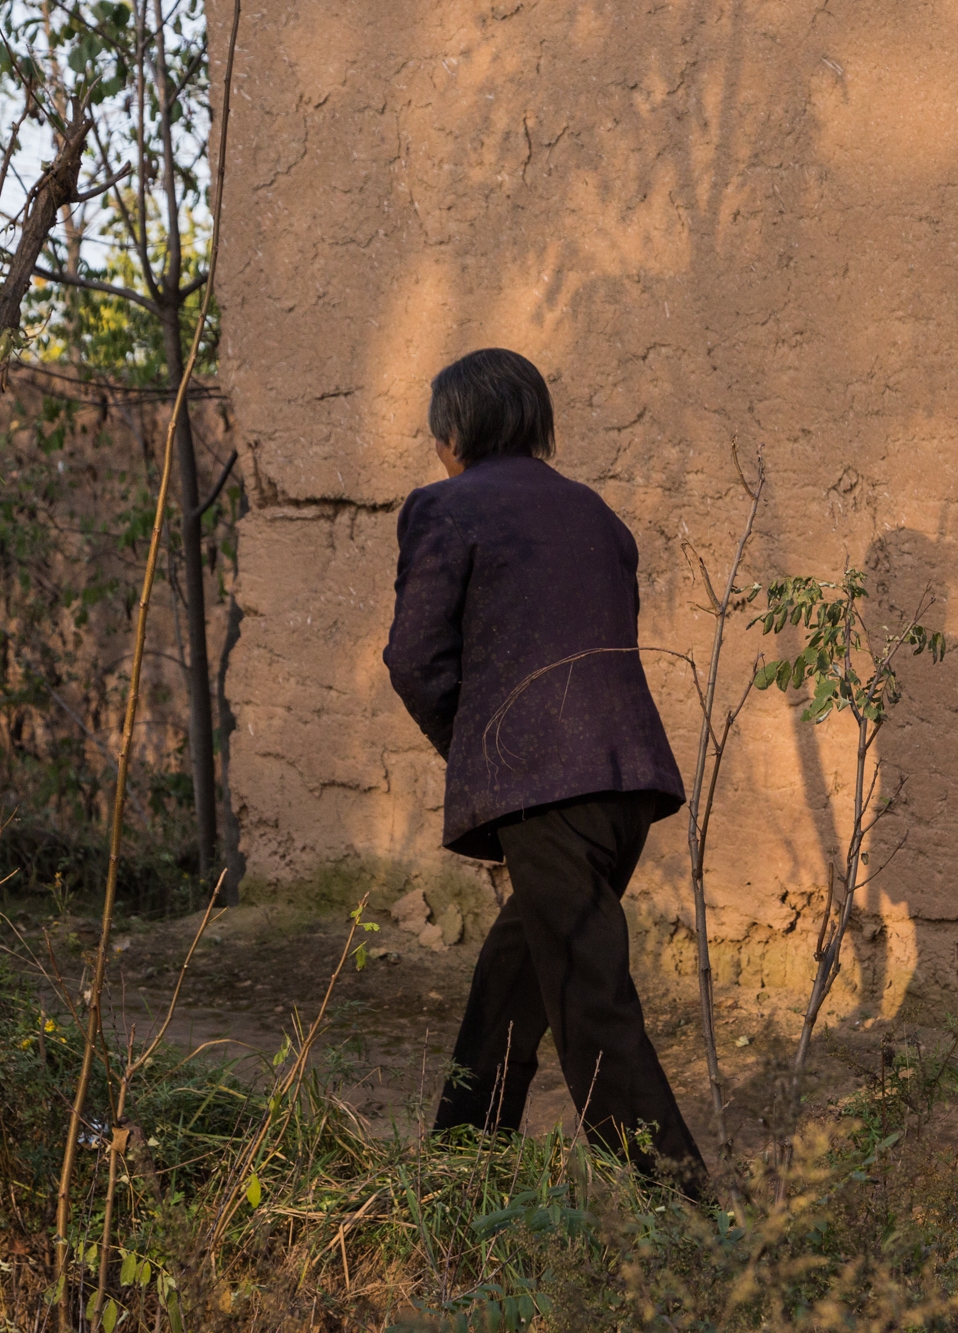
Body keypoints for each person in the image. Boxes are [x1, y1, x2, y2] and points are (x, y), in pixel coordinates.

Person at [383, 347, 705, 1187]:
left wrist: (484, 753)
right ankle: (459, 1166)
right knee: (515, 975)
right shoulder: (598, 516)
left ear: (456, 431)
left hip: (548, 790)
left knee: (589, 1004)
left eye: (437, 436)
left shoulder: (446, 507)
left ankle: (688, 1216)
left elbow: (415, 657)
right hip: (627, 784)